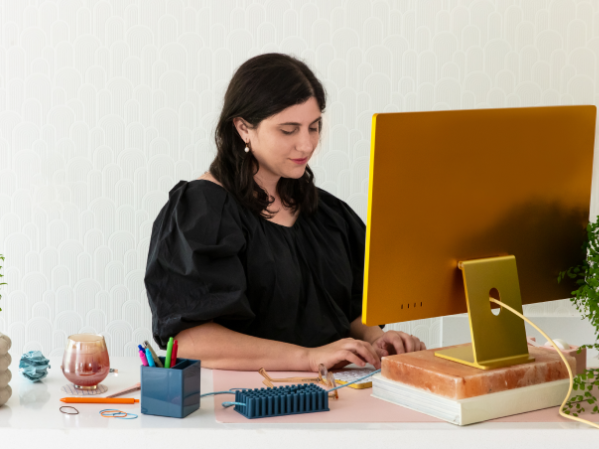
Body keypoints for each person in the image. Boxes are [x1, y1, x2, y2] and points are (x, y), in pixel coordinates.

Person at [144, 53, 425, 371]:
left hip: (338, 393)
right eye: (289, 130)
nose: (306, 145)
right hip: (241, 404)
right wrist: (307, 357)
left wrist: (375, 339)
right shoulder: (200, 212)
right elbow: (192, 341)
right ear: (243, 128)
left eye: (314, 127)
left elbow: (352, 308)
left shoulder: (327, 213)